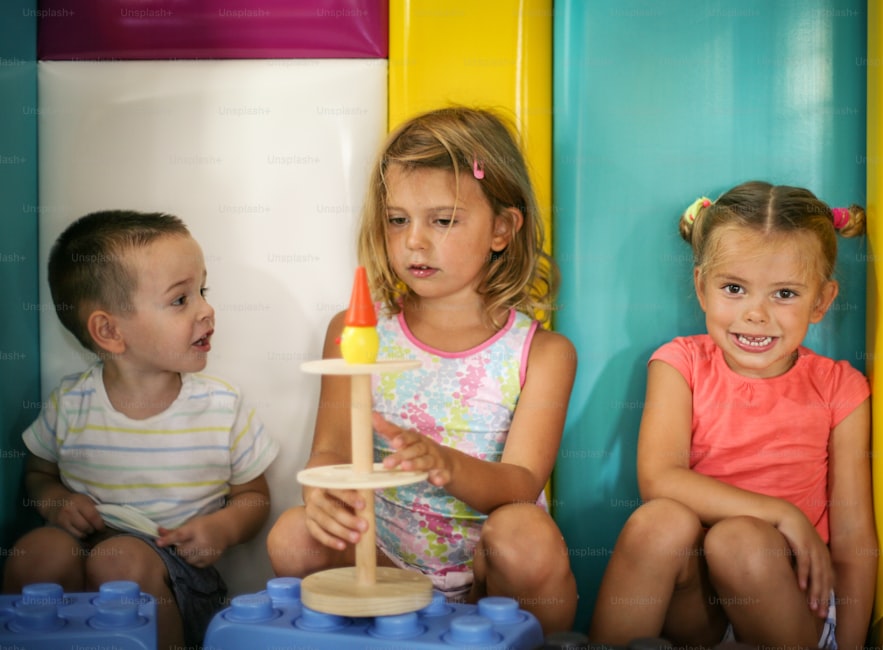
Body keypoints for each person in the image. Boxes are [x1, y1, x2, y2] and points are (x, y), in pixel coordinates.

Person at [267, 106, 578, 632]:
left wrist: (445, 464)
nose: (413, 241)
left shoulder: (542, 353)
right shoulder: (356, 333)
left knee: (527, 535)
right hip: (385, 562)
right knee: (293, 535)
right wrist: (323, 498)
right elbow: (331, 453)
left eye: (443, 220)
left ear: (502, 228)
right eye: (397, 219)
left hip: (490, 572)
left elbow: (521, 486)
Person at [589, 182, 877, 648]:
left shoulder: (841, 388)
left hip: (793, 607)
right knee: (658, 521)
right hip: (699, 609)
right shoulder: (679, 363)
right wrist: (781, 513)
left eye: (784, 294)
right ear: (702, 288)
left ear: (822, 302)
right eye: (734, 288)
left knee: (737, 541)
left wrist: (852, 643)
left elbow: (853, 535)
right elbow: (659, 479)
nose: (756, 314)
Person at [3, 210, 279, 649]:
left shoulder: (220, 406)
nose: (207, 309)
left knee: (120, 560)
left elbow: (253, 495)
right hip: (85, 559)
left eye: (202, 291)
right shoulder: (70, 405)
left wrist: (222, 529)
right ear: (110, 331)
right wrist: (56, 503)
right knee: (36, 552)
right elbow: (38, 475)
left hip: (180, 581)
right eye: (180, 299)